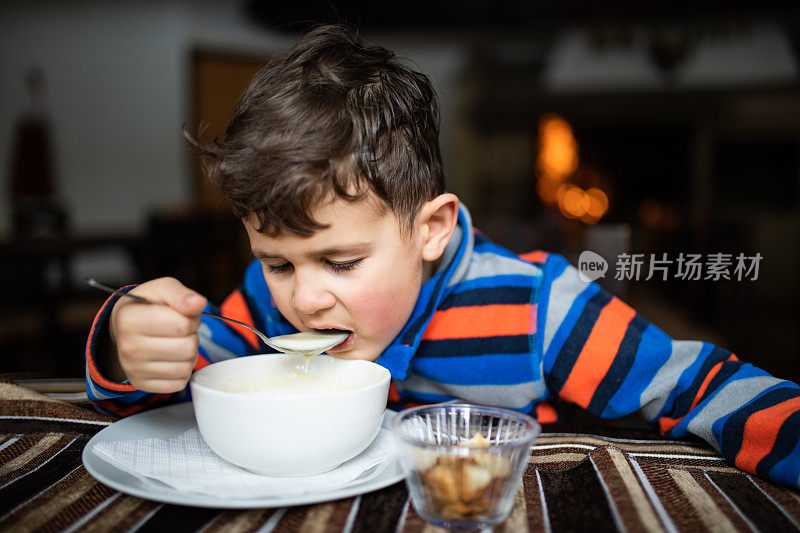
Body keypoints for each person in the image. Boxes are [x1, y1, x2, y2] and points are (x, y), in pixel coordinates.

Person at [85, 25, 800, 488]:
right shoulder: (258, 307)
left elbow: (700, 385)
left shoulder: (537, 310)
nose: (300, 300)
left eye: (340, 262)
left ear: (432, 228)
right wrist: (128, 343)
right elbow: (171, 383)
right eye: (278, 262)